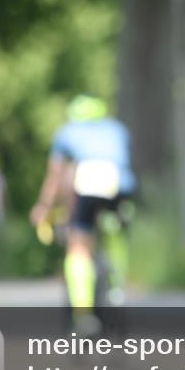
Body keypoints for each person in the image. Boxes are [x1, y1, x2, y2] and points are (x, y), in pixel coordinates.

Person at [31, 95, 136, 328]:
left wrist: (44, 206)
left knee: (78, 243)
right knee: (115, 230)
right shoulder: (117, 129)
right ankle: (118, 287)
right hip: (121, 186)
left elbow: (56, 176)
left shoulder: (67, 132)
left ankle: (82, 313)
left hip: (89, 184)